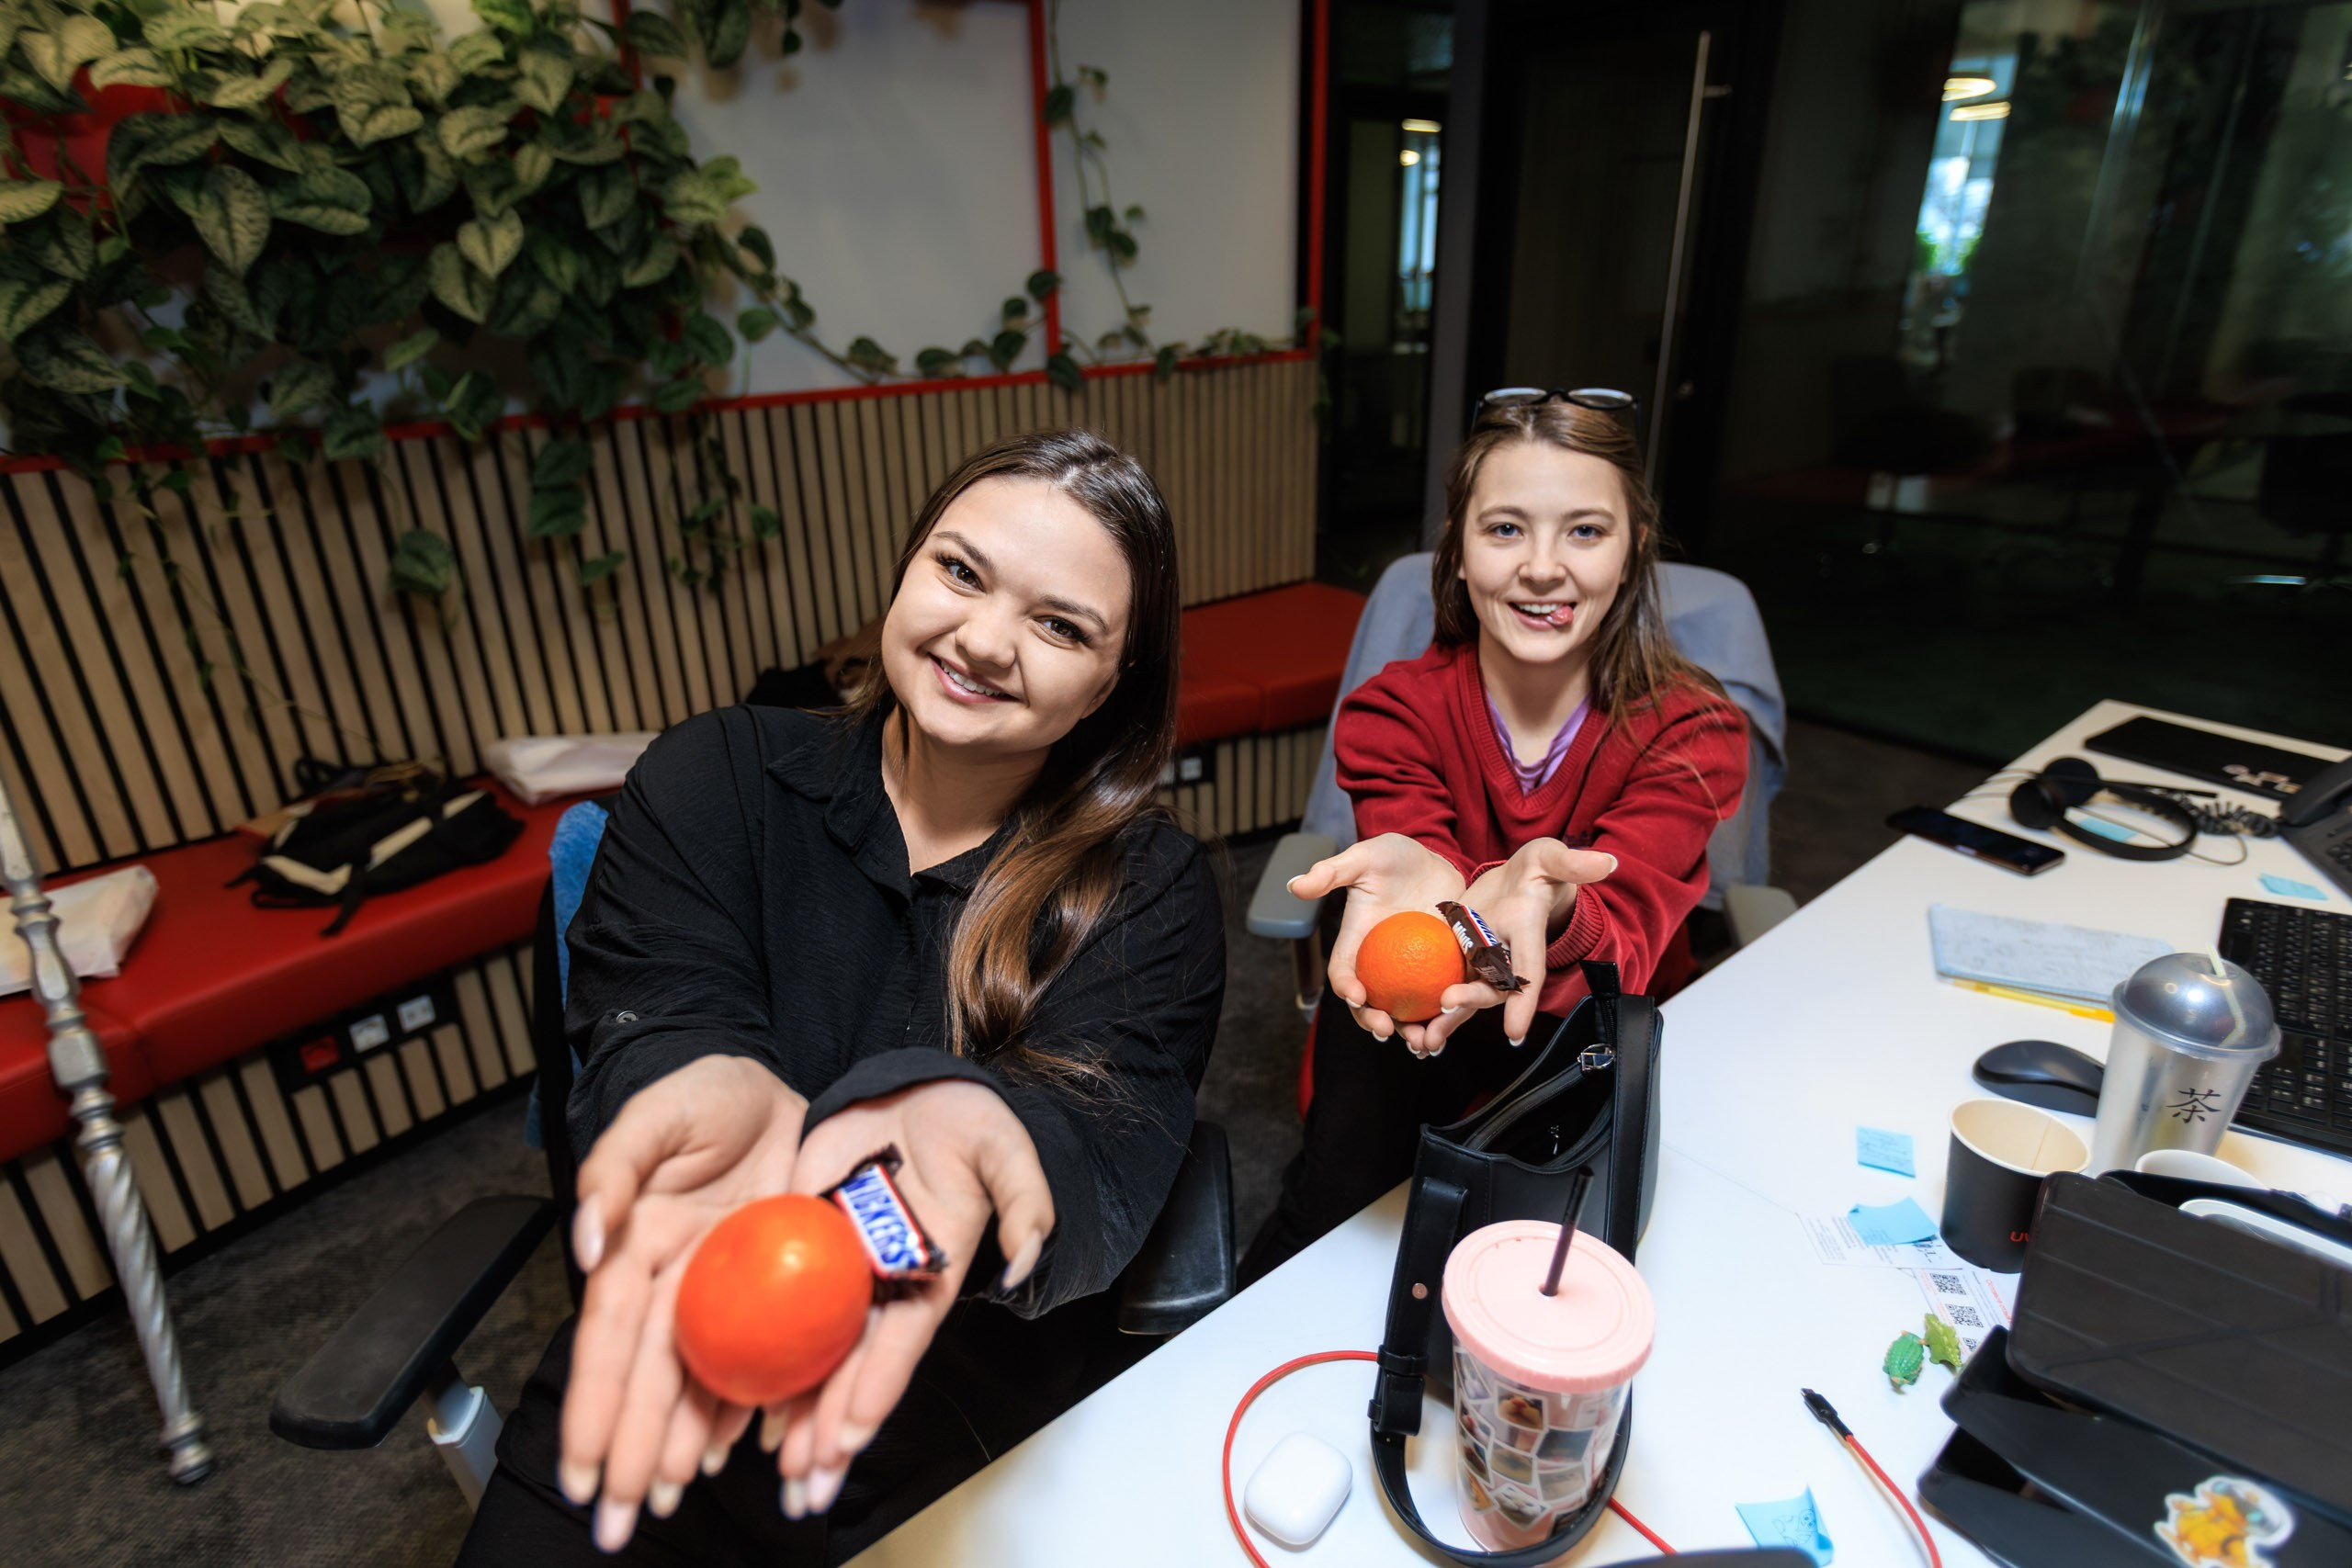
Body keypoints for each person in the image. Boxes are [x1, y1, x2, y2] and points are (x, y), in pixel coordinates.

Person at [458, 431, 1226, 1564]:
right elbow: (659, 1013)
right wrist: (690, 1075)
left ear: (1113, 684)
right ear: (908, 564)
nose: (981, 639)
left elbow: (1097, 1161)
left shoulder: (1149, 890)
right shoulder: (712, 773)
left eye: (1059, 626)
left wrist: (973, 1138)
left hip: (946, 1409)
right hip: (668, 1341)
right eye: (959, 572)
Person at [1240, 393, 1747, 1279]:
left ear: (1632, 553)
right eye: (1506, 529)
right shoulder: (1391, 711)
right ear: (1460, 550)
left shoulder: (1693, 732)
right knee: (1320, 1246)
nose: (1542, 568)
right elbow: (1421, 894)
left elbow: (1621, 942)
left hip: (1583, 1042)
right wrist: (1481, 911)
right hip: (1415, 1033)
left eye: (1586, 532)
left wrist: (1551, 911)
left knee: (1569, 1285)